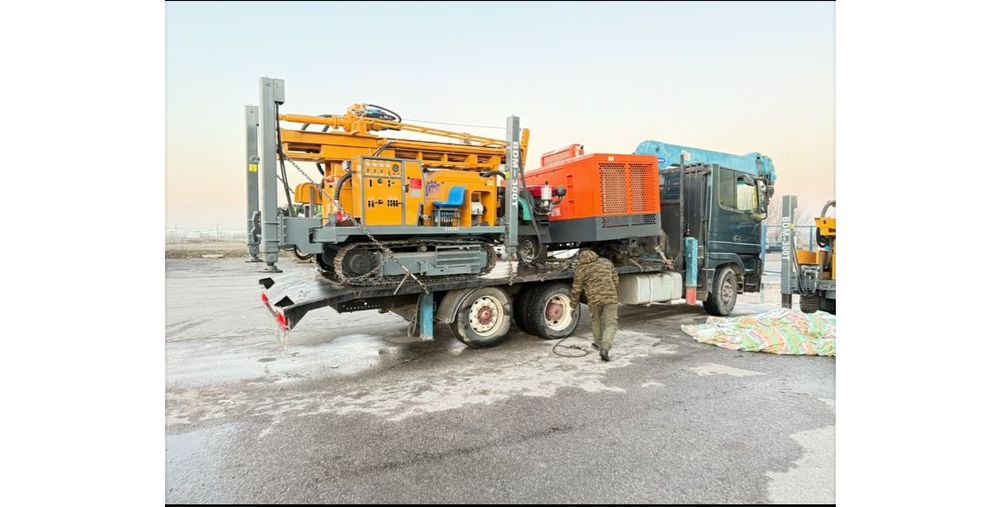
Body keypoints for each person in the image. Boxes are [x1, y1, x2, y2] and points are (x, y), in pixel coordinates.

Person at [568, 249, 620, 362]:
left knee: (596, 320)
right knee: (611, 323)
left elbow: (576, 290)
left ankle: (598, 343)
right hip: (610, 297)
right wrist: (613, 291)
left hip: (593, 300)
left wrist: (572, 306)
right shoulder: (606, 262)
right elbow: (616, 280)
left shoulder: (581, 270)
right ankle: (605, 348)